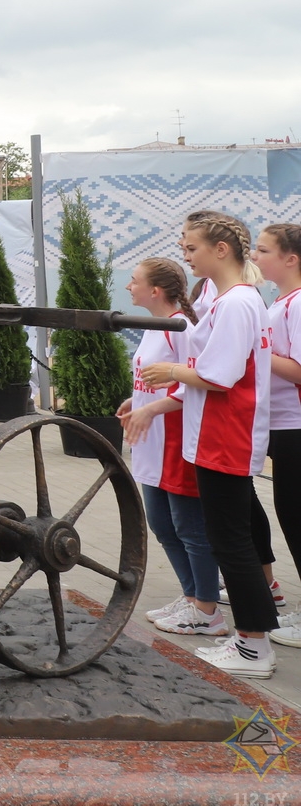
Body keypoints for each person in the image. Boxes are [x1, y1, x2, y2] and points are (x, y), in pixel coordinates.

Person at [141, 213, 276, 678]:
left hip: (227, 435)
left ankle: (254, 645)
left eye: (192, 247)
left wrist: (172, 373)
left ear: (221, 249)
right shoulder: (225, 299)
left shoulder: (237, 302)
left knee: (230, 542)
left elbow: (220, 376)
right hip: (214, 435)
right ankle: (253, 636)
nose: (185, 254)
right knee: (231, 539)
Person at [116, 258, 219, 635]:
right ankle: (191, 597)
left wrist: (153, 409)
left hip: (175, 441)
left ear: (155, 291)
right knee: (161, 524)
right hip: (151, 442)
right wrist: (136, 402)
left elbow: (193, 382)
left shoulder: (181, 329)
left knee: (188, 527)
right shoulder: (152, 327)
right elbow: (153, 378)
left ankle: (207, 608)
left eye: (134, 281)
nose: (129, 286)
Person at [257, 224, 301, 648]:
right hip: (283, 425)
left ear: (291, 258)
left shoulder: (299, 303)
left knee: (296, 515)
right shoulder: (282, 301)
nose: (256, 255)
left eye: (264, 249)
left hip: (296, 426)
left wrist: (258, 349)